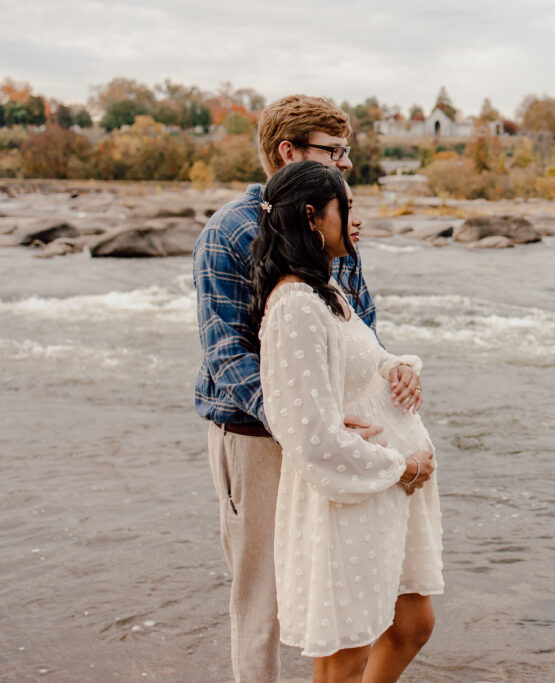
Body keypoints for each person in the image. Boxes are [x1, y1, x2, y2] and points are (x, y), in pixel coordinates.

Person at [193, 94, 423, 682]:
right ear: (286, 151)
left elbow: (358, 324)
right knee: (264, 598)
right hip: (256, 434)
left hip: (337, 435)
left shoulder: (332, 219)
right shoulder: (227, 232)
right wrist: (303, 424)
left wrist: (388, 364)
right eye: (333, 152)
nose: (346, 164)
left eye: (346, 153)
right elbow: (227, 352)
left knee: (340, 587)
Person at [250, 160, 442, 682]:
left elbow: (365, 358)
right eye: (347, 207)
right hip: (348, 500)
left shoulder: (326, 294)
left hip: (384, 498)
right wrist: (401, 467)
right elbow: (310, 439)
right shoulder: (294, 308)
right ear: (314, 217)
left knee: (411, 623)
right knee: (344, 659)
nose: (357, 220)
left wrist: (394, 366)